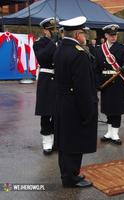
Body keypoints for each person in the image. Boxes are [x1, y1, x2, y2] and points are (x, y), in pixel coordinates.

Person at [53, 16, 98, 188]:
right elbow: (82, 87)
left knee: (65, 141)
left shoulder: (60, 49)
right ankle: (70, 178)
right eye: (83, 33)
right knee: (74, 142)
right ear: (78, 34)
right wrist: (88, 111)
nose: (85, 36)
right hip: (74, 104)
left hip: (63, 102)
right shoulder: (78, 53)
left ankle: (67, 173)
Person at [94, 24, 124, 145]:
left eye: (115, 34)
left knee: (117, 108)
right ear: (105, 35)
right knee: (108, 108)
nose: (113, 37)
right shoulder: (100, 49)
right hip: (106, 82)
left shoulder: (122, 48)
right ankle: (109, 132)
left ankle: (115, 132)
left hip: (118, 81)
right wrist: (97, 83)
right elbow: (96, 69)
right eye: (111, 35)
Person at [33, 17, 59, 155]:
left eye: (56, 29)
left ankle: (55, 139)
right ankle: (46, 141)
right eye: (51, 30)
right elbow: (42, 57)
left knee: (57, 111)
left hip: (58, 79)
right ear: (45, 30)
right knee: (45, 112)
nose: (54, 32)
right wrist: (52, 43)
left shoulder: (60, 43)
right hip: (46, 78)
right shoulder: (39, 43)